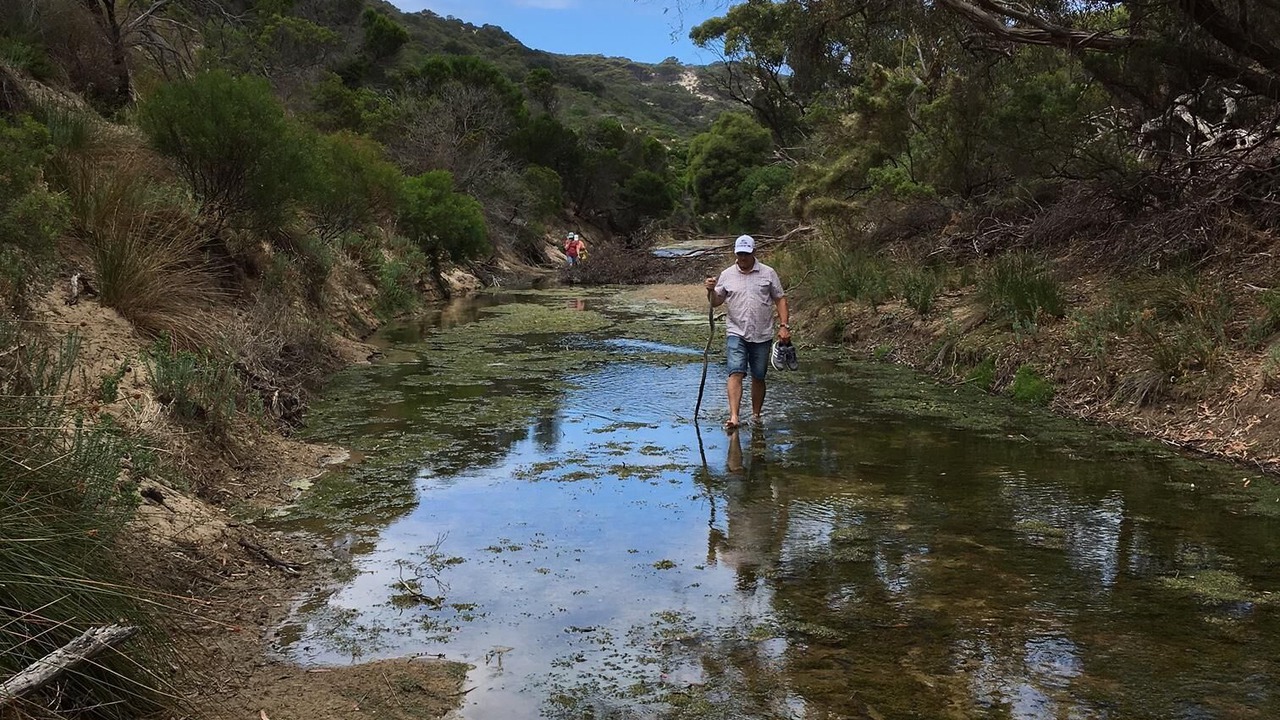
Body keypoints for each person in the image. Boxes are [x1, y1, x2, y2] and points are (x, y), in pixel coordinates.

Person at [703, 234, 791, 430]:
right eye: (739, 254)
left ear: (754, 253)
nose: (742, 258)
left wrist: (784, 325)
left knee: (759, 375)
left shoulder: (768, 273)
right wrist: (710, 291)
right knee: (736, 372)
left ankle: (756, 415)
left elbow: (780, 299)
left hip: (762, 334)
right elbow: (717, 301)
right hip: (736, 332)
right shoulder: (727, 275)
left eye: (746, 254)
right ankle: (734, 416)